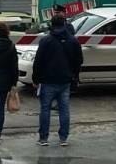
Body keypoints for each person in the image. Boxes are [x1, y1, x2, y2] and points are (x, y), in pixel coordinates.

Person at [32, 15, 83, 147]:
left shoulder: (46, 40)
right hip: (65, 80)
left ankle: (43, 138)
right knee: (64, 109)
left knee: (45, 109)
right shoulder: (73, 40)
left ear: (51, 24)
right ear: (64, 24)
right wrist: (74, 75)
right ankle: (63, 138)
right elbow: (79, 60)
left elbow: (38, 61)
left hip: (47, 79)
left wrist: (35, 78)